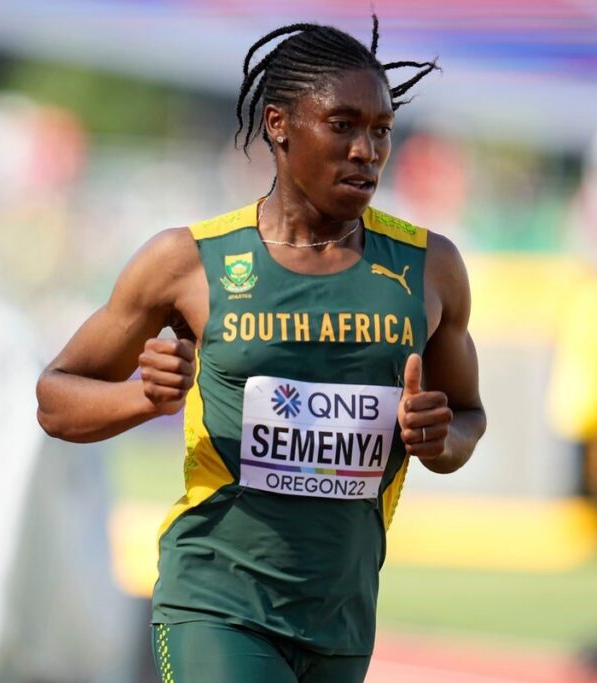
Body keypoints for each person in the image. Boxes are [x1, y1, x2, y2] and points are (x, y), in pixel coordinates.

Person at [36, 15, 486, 683]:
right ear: (278, 124)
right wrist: (143, 396)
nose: (367, 150)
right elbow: (54, 397)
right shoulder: (186, 262)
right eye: (343, 125)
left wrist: (437, 437)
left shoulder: (431, 269)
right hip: (215, 601)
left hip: (342, 615)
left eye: (382, 131)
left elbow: (467, 418)